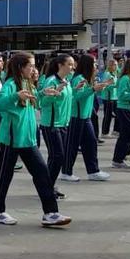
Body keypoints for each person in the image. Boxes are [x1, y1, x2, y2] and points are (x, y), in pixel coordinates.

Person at [0, 52, 72, 227]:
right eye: (30, 66)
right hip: (12, 141)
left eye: (34, 65)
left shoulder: (28, 83)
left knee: (42, 174)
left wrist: (45, 93)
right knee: (4, 176)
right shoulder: (11, 84)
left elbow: (35, 101)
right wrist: (15, 96)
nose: (34, 69)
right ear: (20, 67)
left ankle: (51, 213)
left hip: (28, 140)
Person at [63, 54, 111, 182]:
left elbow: (88, 94)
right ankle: (66, 172)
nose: (96, 66)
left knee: (91, 143)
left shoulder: (88, 78)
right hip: (76, 117)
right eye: (94, 63)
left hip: (85, 117)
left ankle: (93, 171)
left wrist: (98, 88)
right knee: (71, 146)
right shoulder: (79, 78)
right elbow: (76, 97)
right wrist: (92, 89)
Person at [38, 54, 77, 200]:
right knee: (58, 156)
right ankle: (46, 188)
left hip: (63, 124)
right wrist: (54, 94)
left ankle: (48, 186)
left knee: (56, 157)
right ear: (60, 65)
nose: (73, 67)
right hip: (51, 124)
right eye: (70, 64)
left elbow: (68, 101)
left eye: (73, 64)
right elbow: (42, 103)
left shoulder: (66, 81)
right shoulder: (51, 81)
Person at [100, 59, 119, 137]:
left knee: (118, 115)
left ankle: (115, 130)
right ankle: (104, 132)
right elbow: (105, 86)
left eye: (116, 65)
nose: (116, 66)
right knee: (108, 116)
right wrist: (115, 86)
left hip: (114, 97)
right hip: (108, 98)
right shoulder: (107, 74)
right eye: (114, 65)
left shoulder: (114, 74)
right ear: (110, 65)